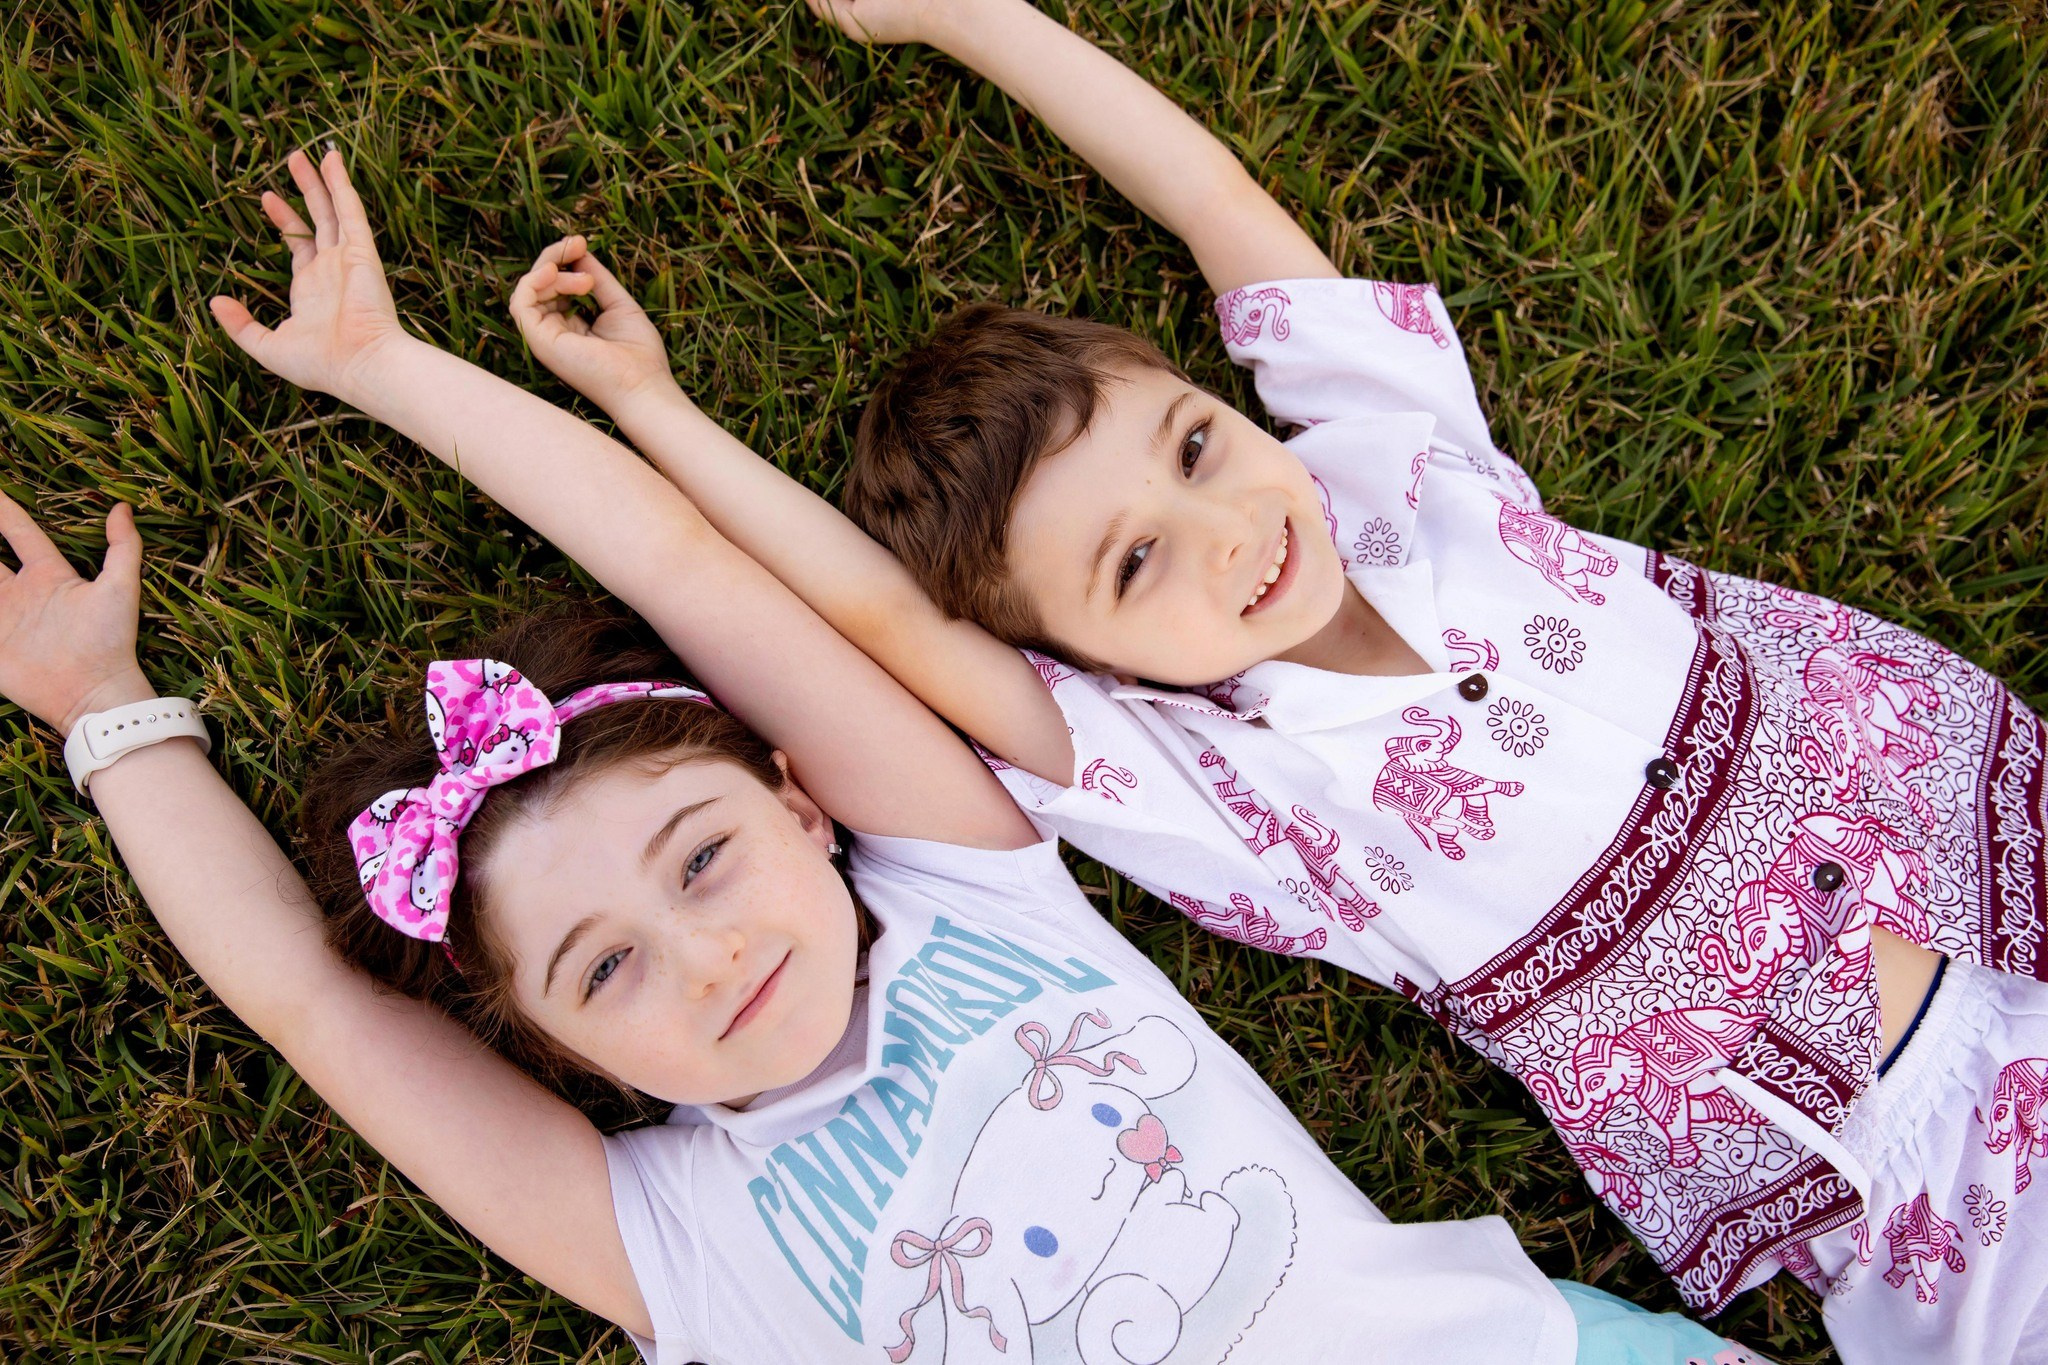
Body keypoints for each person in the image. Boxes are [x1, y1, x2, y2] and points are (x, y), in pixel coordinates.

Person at [0, 148, 1762, 1365]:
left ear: (796, 792)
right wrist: (104, 713)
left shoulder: (964, 884)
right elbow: (315, 1011)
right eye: (605, 966)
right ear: (545, 1042)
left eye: (701, 856)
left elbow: (684, 572)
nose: (712, 955)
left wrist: (393, 370)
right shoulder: (673, 1235)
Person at [498, 1, 2048, 1359]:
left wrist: (971, 16)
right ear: (1083, 663)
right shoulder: (1221, 795)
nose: (1224, 530)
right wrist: (656, 406)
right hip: (1870, 1137)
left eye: (1192, 446)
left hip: (1967, 828)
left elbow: (1210, 197)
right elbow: (882, 623)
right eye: (1130, 568)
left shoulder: (1400, 466)